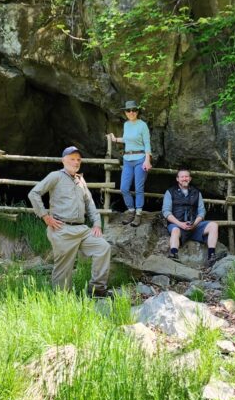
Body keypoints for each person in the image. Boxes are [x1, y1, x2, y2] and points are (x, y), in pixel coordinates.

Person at [28, 146, 111, 296]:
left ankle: (97, 290)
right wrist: (45, 216)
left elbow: (90, 203)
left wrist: (97, 224)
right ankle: (62, 298)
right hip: (62, 229)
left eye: (78, 159)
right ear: (63, 160)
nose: (76, 162)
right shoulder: (56, 176)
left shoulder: (80, 180)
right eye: (72, 159)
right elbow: (34, 193)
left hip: (82, 230)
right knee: (63, 268)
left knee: (103, 247)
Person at [162, 169, 226, 267]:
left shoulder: (196, 193)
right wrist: (180, 224)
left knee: (213, 225)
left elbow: (202, 211)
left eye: (186, 176)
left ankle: (211, 256)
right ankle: (174, 254)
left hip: (194, 225)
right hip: (177, 224)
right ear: (177, 179)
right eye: (182, 177)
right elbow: (166, 212)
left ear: (190, 178)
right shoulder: (170, 192)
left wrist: (195, 224)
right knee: (175, 231)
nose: (184, 178)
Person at [106, 100, 152, 227]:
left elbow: (147, 143)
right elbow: (127, 140)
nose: (131, 112)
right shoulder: (126, 125)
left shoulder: (142, 125)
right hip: (127, 159)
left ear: (137, 112)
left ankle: (138, 214)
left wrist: (147, 160)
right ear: (125, 113)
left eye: (134, 110)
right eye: (128, 110)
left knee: (138, 188)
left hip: (140, 159)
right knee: (124, 188)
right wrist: (115, 139)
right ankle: (131, 211)